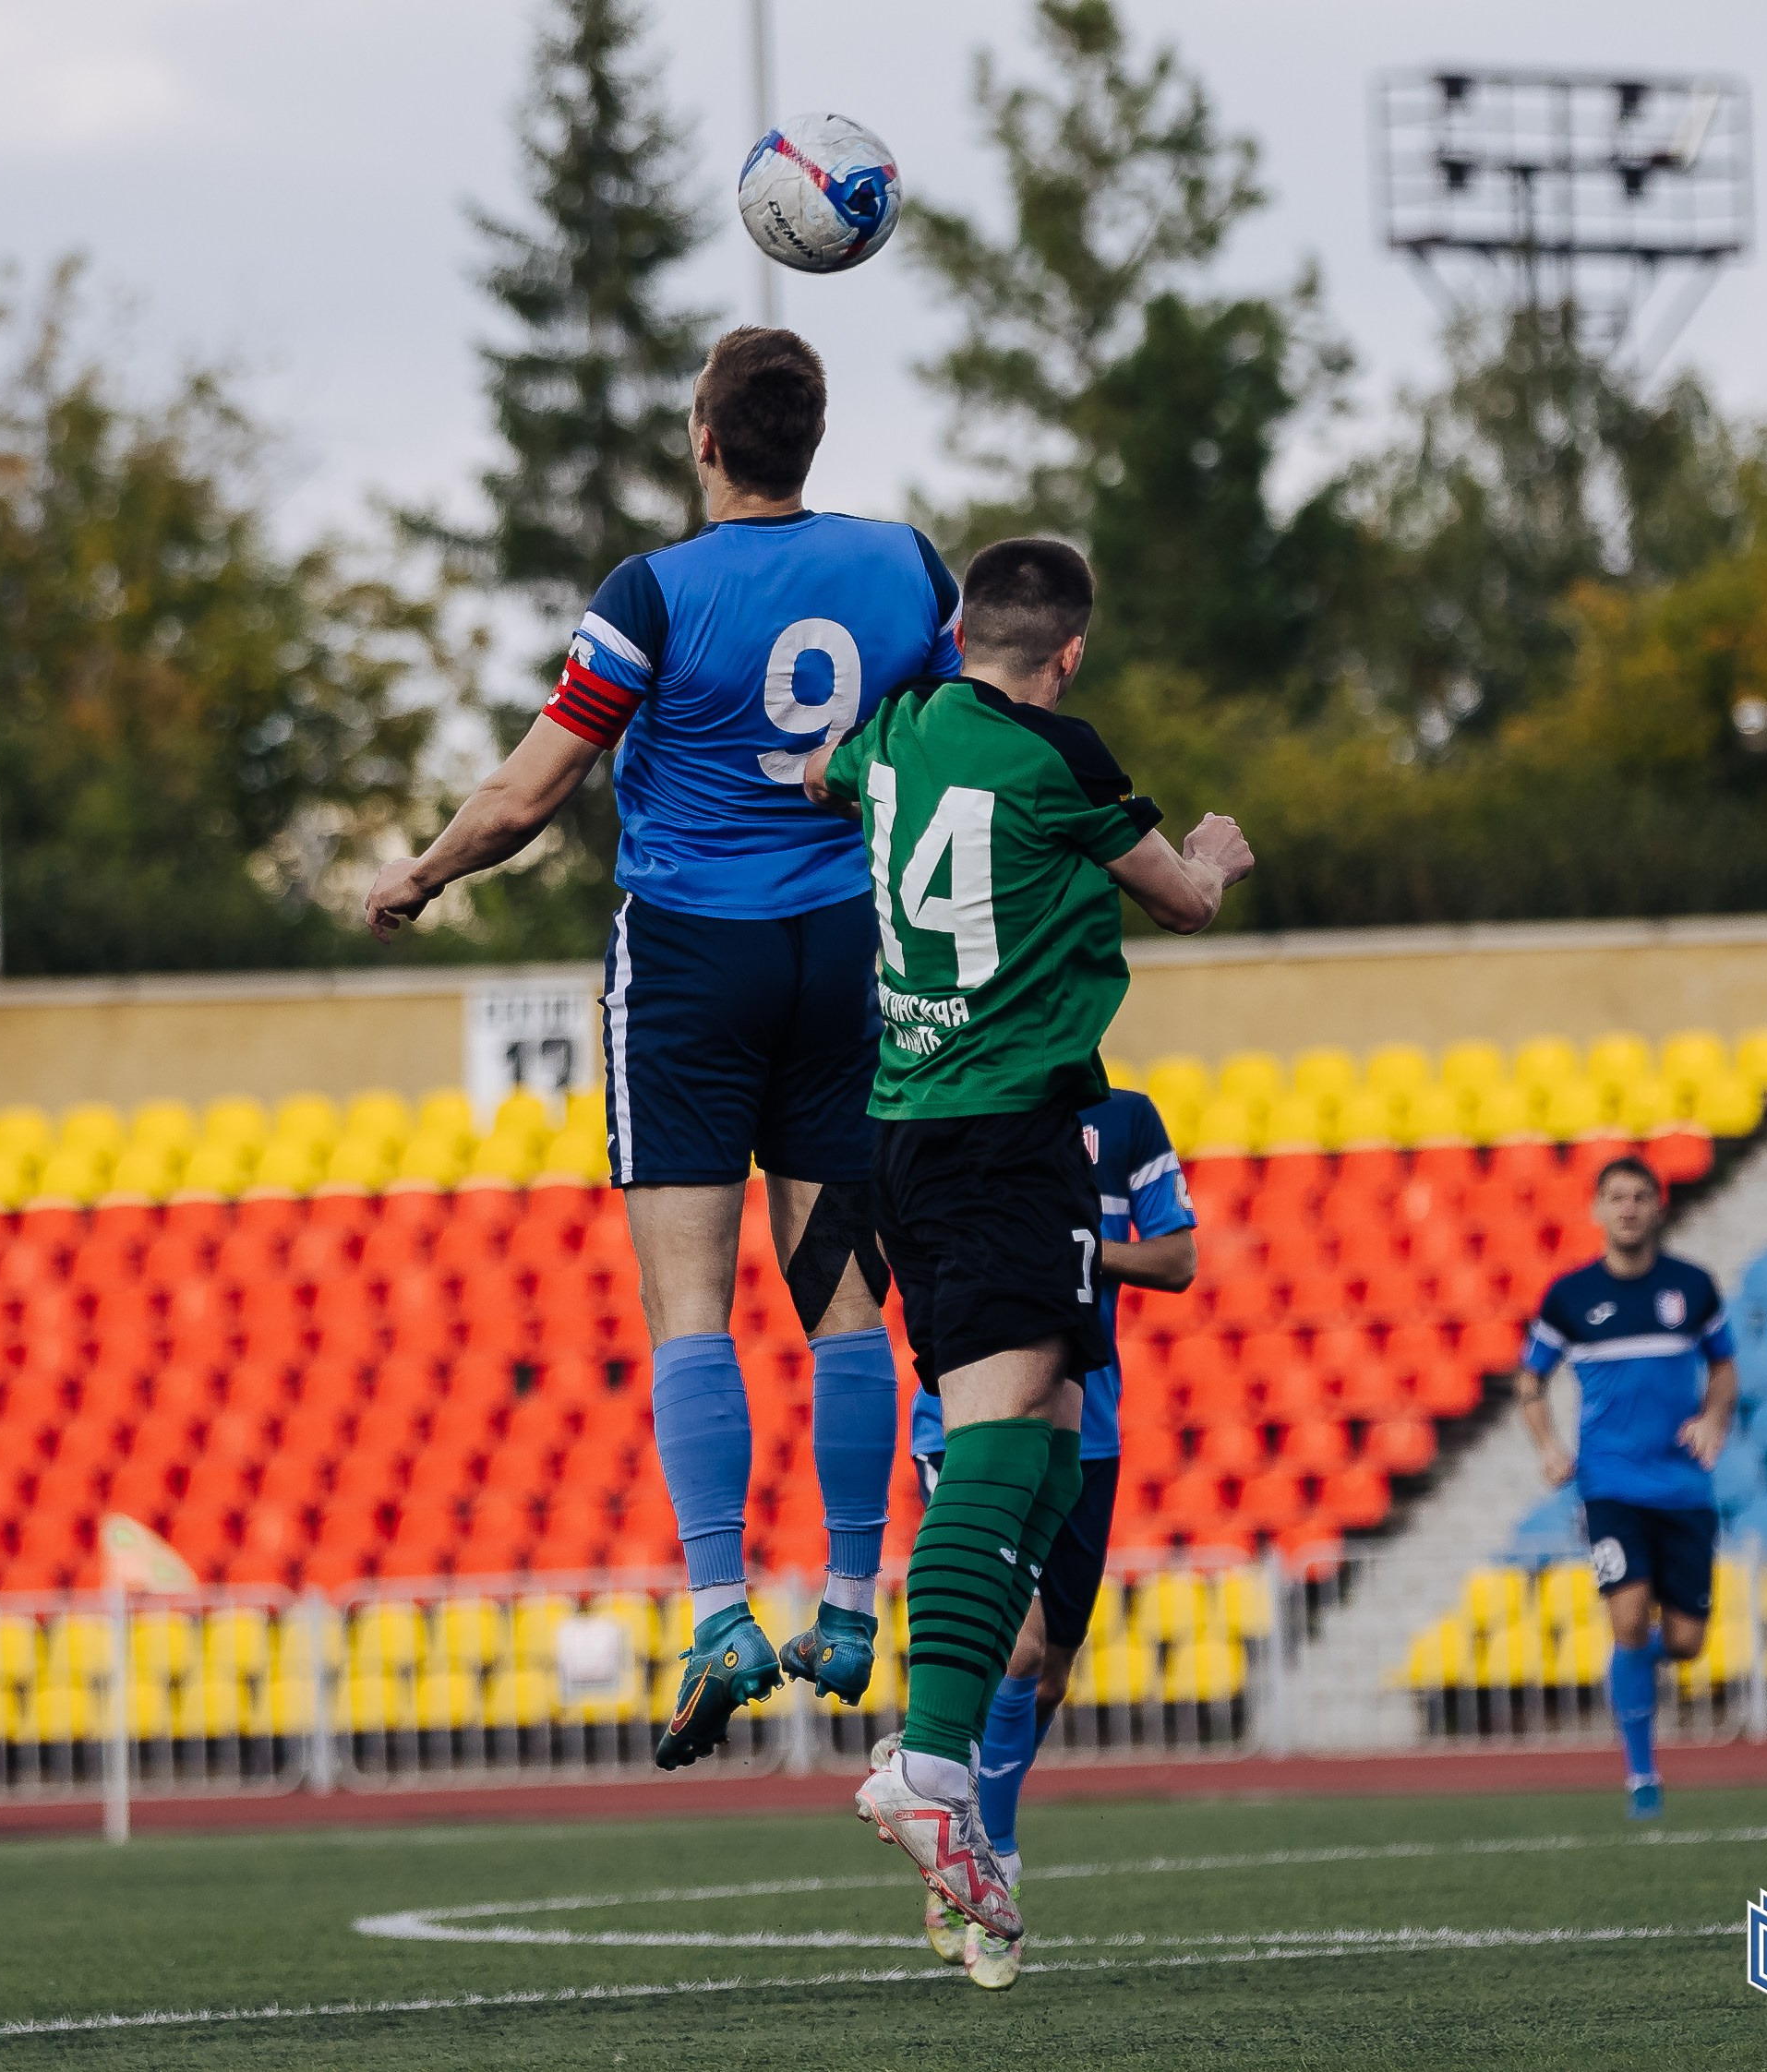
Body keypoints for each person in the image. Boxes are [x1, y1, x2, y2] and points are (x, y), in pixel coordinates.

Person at [363, 328, 964, 1770]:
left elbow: (529, 793)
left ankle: (717, 1611)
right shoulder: (907, 569)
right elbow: (959, 734)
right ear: (812, 436)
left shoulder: (654, 591)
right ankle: (847, 1601)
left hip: (696, 964)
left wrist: (422, 875)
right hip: (848, 958)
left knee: (693, 1305)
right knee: (841, 1306)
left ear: (705, 439)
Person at [805, 535, 1254, 1972]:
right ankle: (930, 1764)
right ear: (1068, 654)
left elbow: (810, 779)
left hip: (904, 1137)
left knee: (1050, 1441)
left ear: (957, 633)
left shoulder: (890, 729)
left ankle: (937, 1764)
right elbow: (1176, 899)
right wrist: (1215, 853)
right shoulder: (1060, 755)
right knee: (1009, 1438)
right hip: (1004, 1138)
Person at [909, 1084, 1197, 1989]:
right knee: (1022, 1646)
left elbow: (1179, 1258)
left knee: (1054, 1666)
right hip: (965, 1411)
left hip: (1087, 1421)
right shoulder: (960, 1101)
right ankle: (981, 1863)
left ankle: (968, 1815)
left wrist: (1072, 1249)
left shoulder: (1126, 1120)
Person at [1514, 1155, 1738, 1820]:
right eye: (1616, 1196)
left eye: (1640, 1195)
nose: (1629, 1207)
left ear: (1658, 1206)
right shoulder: (1569, 1296)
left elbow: (1723, 1367)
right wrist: (1549, 1445)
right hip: (1608, 1484)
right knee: (1627, 1616)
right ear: (1597, 1208)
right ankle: (1640, 1774)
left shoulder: (1691, 1288)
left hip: (1683, 1489)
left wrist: (1714, 1417)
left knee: (1686, 1642)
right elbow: (1529, 1380)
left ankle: (1635, 1676)